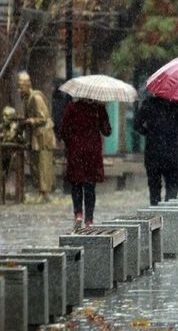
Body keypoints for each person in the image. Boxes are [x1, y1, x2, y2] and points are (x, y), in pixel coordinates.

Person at [60, 98, 111, 228]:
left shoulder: (71, 107)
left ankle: (78, 214)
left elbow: (63, 130)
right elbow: (107, 131)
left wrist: (71, 142)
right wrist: (103, 116)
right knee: (90, 187)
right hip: (92, 153)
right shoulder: (98, 108)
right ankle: (89, 220)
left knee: (76, 183)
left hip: (76, 151)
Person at [134, 95, 178, 206]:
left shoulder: (148, 103)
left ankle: (155, 213)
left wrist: (148, 132)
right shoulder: (175, 104)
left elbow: (137, 125)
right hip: (171, 151)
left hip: (153, 151)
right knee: (172, 185)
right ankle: (168, 213)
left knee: (154, 187)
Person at [17, 71, 56, 202]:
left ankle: (44, 193)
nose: (19, 89)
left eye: (21, 86)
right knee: (36, 164)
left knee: (43, 164)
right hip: (37, 135)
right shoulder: (27, 98)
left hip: (44, 135)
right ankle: (41, 191)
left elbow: (43, 118)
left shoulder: (36, 97)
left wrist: (29, 121)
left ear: (27, 85)